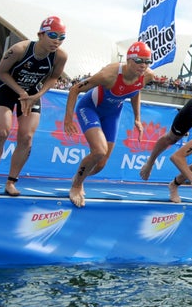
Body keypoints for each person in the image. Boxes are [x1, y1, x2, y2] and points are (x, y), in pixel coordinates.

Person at [63, 41, 157, 207]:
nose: (144, 65)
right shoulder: (109, 74)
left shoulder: (148, 75)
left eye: (147, 61)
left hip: (112, 113)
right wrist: (68, 118)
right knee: (99, 150)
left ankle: (79, 176)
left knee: (101, 164)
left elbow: (135, 90)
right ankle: (76, 185)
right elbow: (75, 89)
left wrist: (137, 118)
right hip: (90, 107)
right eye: (139, 60)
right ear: (128, 60)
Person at [0, 16, 70, 196]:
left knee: (26, 137)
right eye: (53, 35)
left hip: (32, 93)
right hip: (7, 89)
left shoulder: (60, 56)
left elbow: (54, 77)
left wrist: (36, 95)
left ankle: (11, 182)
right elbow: (1, 72)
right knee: (1, 133)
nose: (57, 41)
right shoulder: (19, 49)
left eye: (61, 37)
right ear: (40, 34)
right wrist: (20, 92)